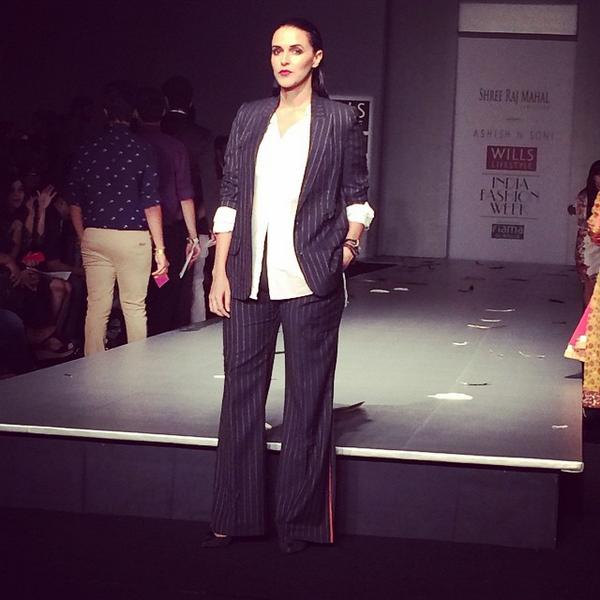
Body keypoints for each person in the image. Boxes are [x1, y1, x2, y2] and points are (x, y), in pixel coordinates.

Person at [203, 18, 374, 554]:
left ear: (316, 58)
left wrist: (348, 248)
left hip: (310, 276)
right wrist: (219, 269)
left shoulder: (339, 119)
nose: (283, 59)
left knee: (308, 399)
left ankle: (298, 522)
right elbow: (230, 195)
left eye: (295, 50)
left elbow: (357, 194)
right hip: (248, 275)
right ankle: (234, 516)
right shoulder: (250, 115)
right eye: (277, 50)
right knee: (240, 396)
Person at [65, 82, 169, 356]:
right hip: (133, 237)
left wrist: (83, 237)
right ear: (134, 113)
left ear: (104, 112)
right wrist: (160, 249)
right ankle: (135, 368)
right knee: (134, 307)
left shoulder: (87, 149)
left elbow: (74, 201)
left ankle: (92, 368)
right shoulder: (143, 149)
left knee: (96, 306)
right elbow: (151, 203)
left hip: (95, 234)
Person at [135, 87, 200, 335]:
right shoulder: (175, 147)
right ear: (163, 112)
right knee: (164, 292)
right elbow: (185, 194)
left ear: (136, 113)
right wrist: (193, 237)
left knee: (134, 297)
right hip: (168, 230)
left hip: (133, 230)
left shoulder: (132, 145)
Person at [161, 75, 218, 322]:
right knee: (186, 280)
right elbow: (209, 182)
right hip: (186, 219)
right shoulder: (201, 136)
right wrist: (214, 223)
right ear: (191, 102)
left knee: (155, 279)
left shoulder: (153, 130)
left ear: (165, 101)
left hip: (149, 218)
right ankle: (178, 328)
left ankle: (156, 327)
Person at [572, 160, 600, 305]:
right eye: (596, 183)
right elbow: (583, 225)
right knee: (589, 285)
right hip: (589, 246)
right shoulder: (584, 196)